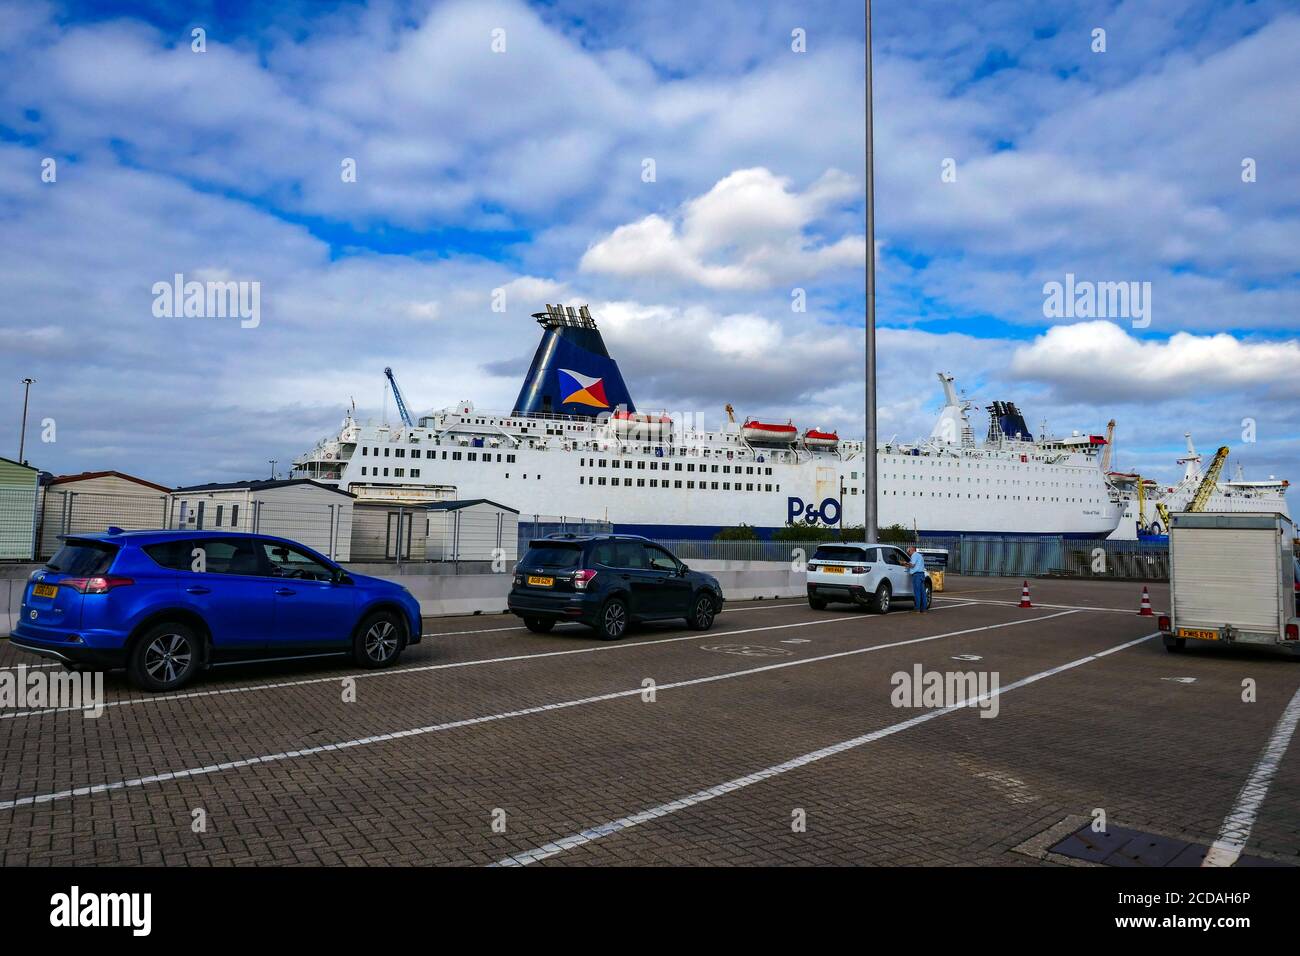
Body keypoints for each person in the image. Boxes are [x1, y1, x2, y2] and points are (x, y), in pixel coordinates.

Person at [906, 546, 928, 612]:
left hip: (916, 575)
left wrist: (905, 563)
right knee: (923, 593)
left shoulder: (914, 555)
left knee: (917, 592)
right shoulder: (920, 556)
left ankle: (917, 608)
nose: (908, 553)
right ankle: (924, 608)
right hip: (921, 575)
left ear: (912, 550)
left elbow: (912, 565)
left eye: (909, 551)